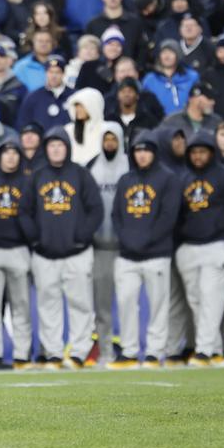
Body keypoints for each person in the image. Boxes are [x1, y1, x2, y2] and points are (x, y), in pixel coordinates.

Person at [29, 127, 104, 368]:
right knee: (47, 305)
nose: (56, 149)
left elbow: (96, 210)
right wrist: (36, 238)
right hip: (45, 254)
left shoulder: (81, 174)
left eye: (60, 145)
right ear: (46, 149)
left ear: (67, 147)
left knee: (80, 303)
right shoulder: (37, 176)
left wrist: (80, 236)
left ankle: (79, 353)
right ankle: (53, 352)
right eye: (51, 145)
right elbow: (23, 212)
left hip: (77, 253)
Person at [109, 131, 181, 368]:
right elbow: (116, 216)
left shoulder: (168, 179)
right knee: (126, 302)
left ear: (154, 152)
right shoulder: (125, 180)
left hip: (157, 254)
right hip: (127, 256)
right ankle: (129, 352)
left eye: (146, 150)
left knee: (159, 305)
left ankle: (154, 352)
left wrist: (146, 240)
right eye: (138, 150)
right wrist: (128, 241)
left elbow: (168, 217)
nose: (142, 155)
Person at [174, 131, 224, 366]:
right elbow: (176, 215)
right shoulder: (183, 178)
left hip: (217, 246)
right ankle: (215, 351)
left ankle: (203, 351)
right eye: (193, 152)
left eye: (202, 151)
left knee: (211, 298)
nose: (197, 156)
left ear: (211, 153)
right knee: (196, 302)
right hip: (189, 248)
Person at [0, 140, 35, 368]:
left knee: (21, 306)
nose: (11, 157)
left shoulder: (28, 183)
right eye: (6, 153)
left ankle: (22, 355)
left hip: (19, 250)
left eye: (15, 153)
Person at [88, 123, 130, 364]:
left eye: (114, 139)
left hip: (127, 249)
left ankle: (129, 350)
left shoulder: (131, 166)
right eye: (107, 139)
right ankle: (105, 352)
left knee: (126, 304)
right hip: (100, 248)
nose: (110, 143)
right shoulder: (92, 167)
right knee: (102, 305)